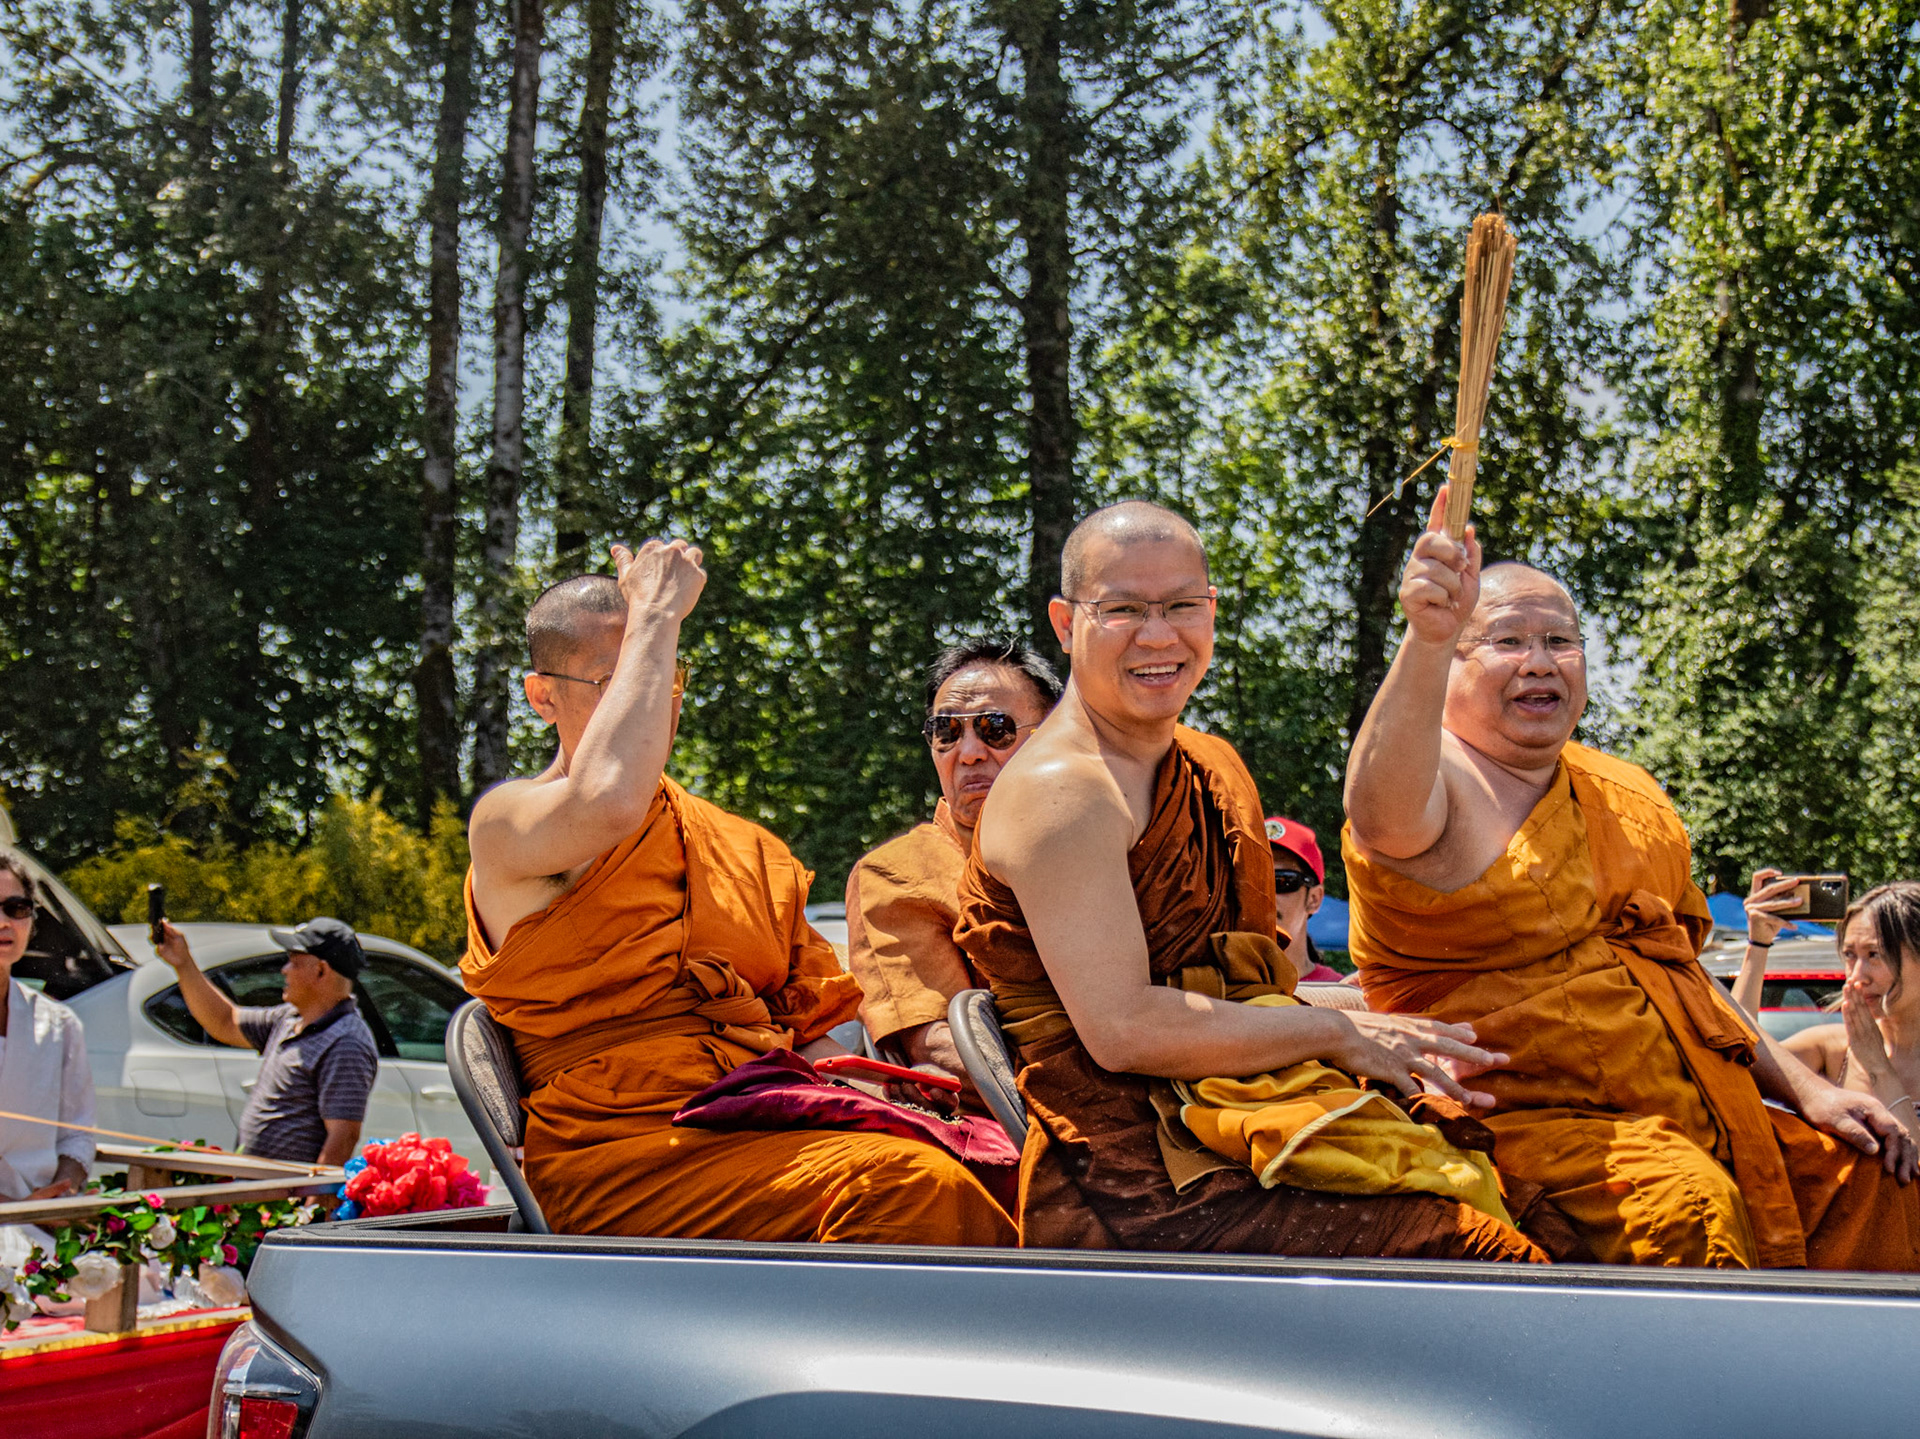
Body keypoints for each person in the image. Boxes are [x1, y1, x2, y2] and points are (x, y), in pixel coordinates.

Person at [951, 500, 1549, 1259]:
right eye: (1124, 609)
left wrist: (1374, 1016)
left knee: (1531, 1185)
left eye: (1181, 606)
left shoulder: (1203, 763)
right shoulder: (1064, 792)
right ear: (1066, 624)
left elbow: (1236, 981)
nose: (1158, 636)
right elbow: (1125, 1030)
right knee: (1487, 1255)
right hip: (1146, 1165)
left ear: (1212, 610)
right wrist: (1333, 1032)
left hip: (1238, 1105)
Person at [1342, 485, 1920, 1269]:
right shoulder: (1441, 775)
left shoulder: (1627, 791)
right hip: (1527, 1125)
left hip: (1701, 1111)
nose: (1540, 661)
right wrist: (1426, 636)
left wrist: (1808, 1089)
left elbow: (1684, 980)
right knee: (1689, 1210)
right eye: (1508, 640)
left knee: (1874, 1175)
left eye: (1560, 640)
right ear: (1455, 665)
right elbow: (1381, 814)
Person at [461, 541, 1013, 1245]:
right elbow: (607, 799)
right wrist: (656, 614)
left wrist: (887, 1101)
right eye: (619, 677)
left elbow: (810, 1027)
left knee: (989, 1165)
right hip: (622, 1152)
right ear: (543, 696)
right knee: (908, 1186)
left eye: (665, 671)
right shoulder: (509, 824)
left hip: (755, 1117)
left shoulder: (736, 847)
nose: (655, 695)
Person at [846, 640, 1062, 1090]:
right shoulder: (898, 874)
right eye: (946, 732)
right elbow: (937, 1045)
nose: (968, 753)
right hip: (1034, 1103)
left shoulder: (1103, 844)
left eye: (995, 728)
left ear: (1054, 737)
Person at [154, 916, 377, 1166]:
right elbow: (225, 1021)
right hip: (258, 1186)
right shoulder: (289, 1018)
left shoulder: (346, 1043)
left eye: (294, 962)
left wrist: (310, 1194)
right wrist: (183, 964)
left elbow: (342, 1139)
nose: (284, 970)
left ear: (321, 971)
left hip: (287, 1189)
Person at [1779, 884, 1920, 1141]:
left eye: (1874, 955)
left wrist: (1877, 1067)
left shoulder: (1858, 1051)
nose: (1856, 976)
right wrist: (1757, 944)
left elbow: (1913, 1162)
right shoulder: (1831, 1048)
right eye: (1849, 955)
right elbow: (1733, 1068)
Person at [0, 852, 95, 1201]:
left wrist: (60, 1196)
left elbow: (77, 1135)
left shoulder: (59, 1025)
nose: (4, 923)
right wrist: (17, 1209)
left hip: (43, 1221)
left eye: (16, 908)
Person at [1265, 816, 1342, 983]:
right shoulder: (1216, 989)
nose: (1265, 894)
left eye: (1282, 881)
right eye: (1252, 880)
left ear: (1314, 899)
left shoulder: (1339, 992)